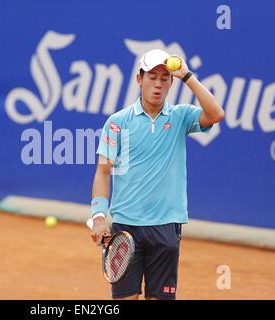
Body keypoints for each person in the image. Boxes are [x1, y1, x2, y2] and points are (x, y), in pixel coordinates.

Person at [90, 49, 225, 300]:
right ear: (139, 79)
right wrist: (98, 215)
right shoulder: (117, 122)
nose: (158, 84)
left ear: (171, 83)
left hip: (166, 226)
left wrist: (187, 76)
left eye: (165, 78)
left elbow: (216, 114)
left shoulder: (181, 116)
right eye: (152, 77)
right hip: (126, 227)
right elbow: (103, 171)